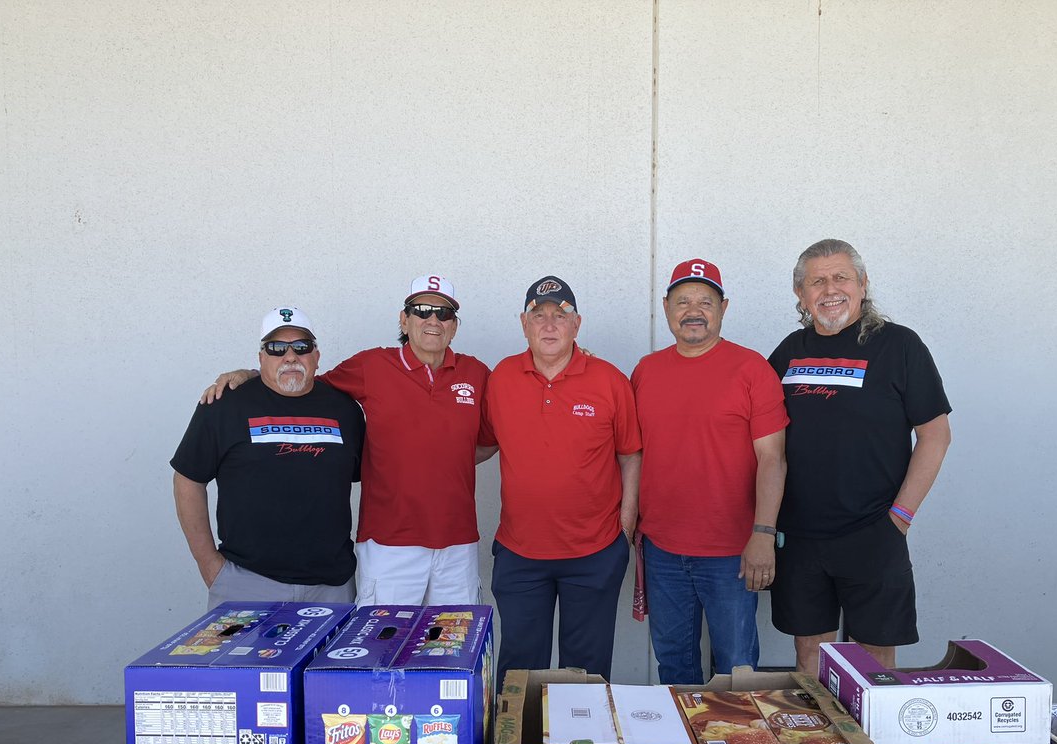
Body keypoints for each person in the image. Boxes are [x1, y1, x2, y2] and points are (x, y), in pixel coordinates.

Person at [203, 276, 495, 606]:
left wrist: (441, 459)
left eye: (443, 313)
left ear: (454, 326)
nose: (432, 320)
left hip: (458, 543)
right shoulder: (371, 365)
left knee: (453, 650)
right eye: (422, 310)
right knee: (384, 650)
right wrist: (252, 374)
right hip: (389, 543)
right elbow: (302, 382)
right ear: (404, 319)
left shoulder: (477, 373)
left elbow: (488, 441)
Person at [768, 239, 952, 674]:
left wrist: (900, 518)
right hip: (801, 536)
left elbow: (935, 435)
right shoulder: (788, 353)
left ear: (863, 284)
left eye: (841, 277)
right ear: (800, 294)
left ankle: (871, 743)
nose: (830, 289)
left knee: (873, 663)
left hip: (874, 531)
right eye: (816, 281)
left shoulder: (899, 345)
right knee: (810, 658)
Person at [631, 259, 788, 684]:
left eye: (705, 301)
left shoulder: (752, 369)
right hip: (662, 548)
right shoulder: (646, 371)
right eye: (683, 301)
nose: (693, 310)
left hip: (732, 553)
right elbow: (633, 454)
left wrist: (763, 534)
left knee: (735, 671)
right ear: (666, 308)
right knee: (675, 668)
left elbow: (773, 458)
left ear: (724, 308)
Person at [483, 276, 641, 687]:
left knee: (586, 673)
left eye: (560, 315)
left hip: (593, 552)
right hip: (520, 553)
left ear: (577, 324)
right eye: (539, 315)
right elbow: (480, 445)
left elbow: (630, 455)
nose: (549, 324)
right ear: (524, 323)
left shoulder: (609, 380)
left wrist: (624, 528)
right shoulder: (501, 377)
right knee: (519, 671)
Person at [172, 307, 365, 605]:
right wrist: (209, 564)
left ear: (316, 355)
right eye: (276, 348)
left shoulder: (345, 410)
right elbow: (188, 479)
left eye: (301, 347)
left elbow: (369, 479)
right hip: (246, 582)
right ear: (261, 357)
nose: (290, 356)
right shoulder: (224, 405)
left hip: (332, 586)